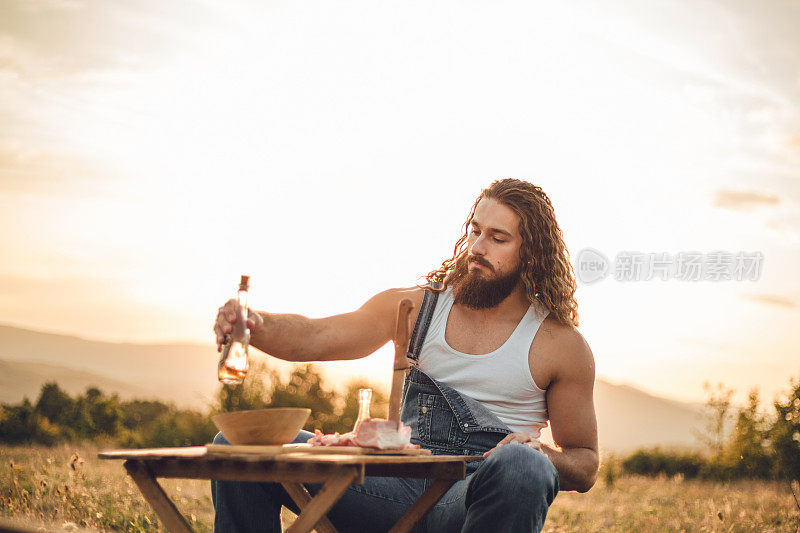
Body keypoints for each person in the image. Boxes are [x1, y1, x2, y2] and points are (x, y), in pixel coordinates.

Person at [211, 178, 599, 532]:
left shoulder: (560, 345)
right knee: (237, 448)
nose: (477, 248)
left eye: (498, 238)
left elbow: (584, 465)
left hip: (471, 500)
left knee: (525, 466)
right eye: (475, 231)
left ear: (530, 254)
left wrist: (537, 453)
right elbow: (315, 335)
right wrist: (254, 323)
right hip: (391, 493)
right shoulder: (416, 309)